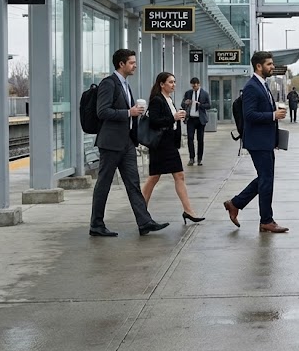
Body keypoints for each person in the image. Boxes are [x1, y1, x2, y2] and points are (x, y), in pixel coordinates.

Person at [89, 49, 169, 237]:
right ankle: (96, 224)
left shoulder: (125, 85)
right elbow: (102, 112)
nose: (135, 65)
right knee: (104, 184)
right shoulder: (109, 84)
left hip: (126, 142)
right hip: (110, 143)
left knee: (133, 183)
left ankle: (144, 222)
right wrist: (128, 113)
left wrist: (135, 114)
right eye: (132, 63)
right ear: (121, 64)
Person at [223, 51, 289, 233]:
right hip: (257, 142)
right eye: (269, 64)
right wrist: (273, 115)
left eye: (272, 64)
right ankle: (266, 220)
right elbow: (249, 115)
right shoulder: (252, 86)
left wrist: (275, 134)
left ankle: (235, 203)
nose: (272, 67)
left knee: (264, 179)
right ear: (259, 66)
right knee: (266, 180)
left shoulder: (263, 85)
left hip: (265, 141)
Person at [142, 72, 204, 224]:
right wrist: (174, 117)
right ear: (162, 84)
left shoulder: (169, 99)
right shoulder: (157, 100)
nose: (173, 84)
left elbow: (169, 120)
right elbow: (154, 121)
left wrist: (178, 118)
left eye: (174, 82)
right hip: (161, 144)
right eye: (170, 82)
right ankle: (141, 211)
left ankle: (188, 210)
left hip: (168, 143)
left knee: (177, 176)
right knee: (154, 177)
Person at [181, 77, 210, 165]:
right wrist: (186, 103)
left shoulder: (204, 94)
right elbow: (182, 104)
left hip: (200, 119)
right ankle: (191, 158)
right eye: (193, 86)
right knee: (190, 138)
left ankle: (200, 159)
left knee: (200, 139)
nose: (194, 87)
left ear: (199, 84)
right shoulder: (188, 93)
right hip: (191, 119)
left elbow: (209, 105)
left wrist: (200, 105)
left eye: (195, 86)